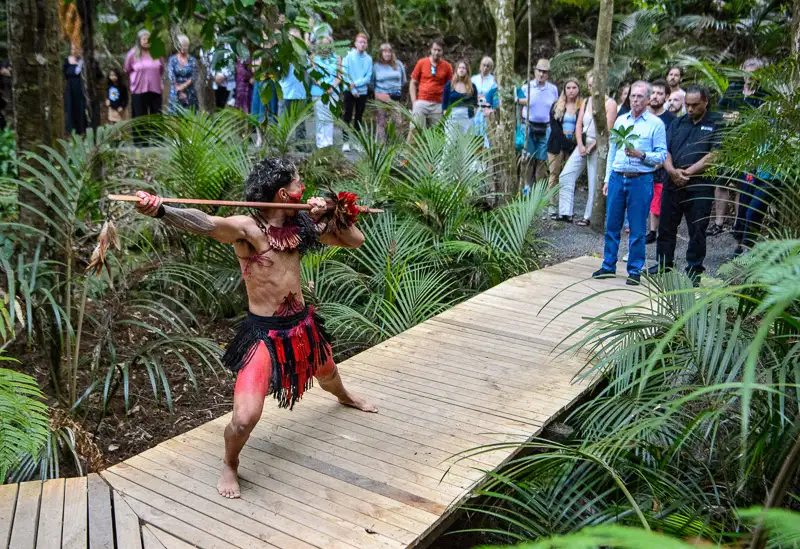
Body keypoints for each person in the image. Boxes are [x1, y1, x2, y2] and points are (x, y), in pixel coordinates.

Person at [133, 157, 378, 499]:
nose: (303, 188)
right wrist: (162, 210)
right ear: (282, 193)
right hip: (263, 333)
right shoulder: (246, 229)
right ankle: (230, 463)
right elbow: (205, 223)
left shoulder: (301, 225)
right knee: (245, 419)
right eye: (298, 184)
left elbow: (355, 240)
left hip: (302, 326)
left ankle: (344, 396)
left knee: (327, 372)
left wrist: (334, 210)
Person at [592, 81, 667, 285]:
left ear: (648, 99)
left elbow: (661, 156)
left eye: (640, 96)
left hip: (640, 179)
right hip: (618, 177)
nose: (635, 100)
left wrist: (640, 154)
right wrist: (607, 178)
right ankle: (608, 265)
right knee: (612, 225)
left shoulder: (655, 124)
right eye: (633, 96)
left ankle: (634, 270)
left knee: (637, 228)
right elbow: (612, 152)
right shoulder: (620, 121)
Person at [648, 85, 721, 284]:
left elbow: (715, 154)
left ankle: (694, 268)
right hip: (672, 182)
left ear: (705, 102)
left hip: (699, 186)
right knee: (666, 226)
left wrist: (688, 172)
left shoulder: (717, 124)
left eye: (694, 105)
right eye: (687, 105)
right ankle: (664, 263)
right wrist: (671, 170)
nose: (689, 109)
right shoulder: (678, 123)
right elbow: (665, 149)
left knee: (697, 229)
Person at [708, 58, 768, 239]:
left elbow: (764, 119)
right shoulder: (734, 89)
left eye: (754, 74)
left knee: (743, 185)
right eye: (746, 74)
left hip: (750, 146)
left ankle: (738, 224)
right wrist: (727, 115)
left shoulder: (764, 93)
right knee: (722, 181)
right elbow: (717, 112)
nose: (749, 78)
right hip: (727, 143)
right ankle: (718, 222)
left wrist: (740, 119)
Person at [558, 72, 618, 225]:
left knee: (593, 181)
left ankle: (588, 216)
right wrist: (580, 144)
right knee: (566, 174)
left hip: (599, 145)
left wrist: (591, 146)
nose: (592, 88)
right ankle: (565, 212)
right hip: (583, 144)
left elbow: (607, 130)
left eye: (595, 85)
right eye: (590, 86)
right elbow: (579, 124)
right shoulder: (586, 101)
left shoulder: (610, 103)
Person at [517, 59, 559, 187]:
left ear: (548, 74)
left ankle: (539, 188)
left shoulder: (552, 89)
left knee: (542, 160)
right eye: (539, 71)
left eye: (544, 72)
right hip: (528, 126)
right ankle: (527, 187)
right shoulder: (526, 87)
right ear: (535, 71)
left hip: (545, 127)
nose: (541, 74)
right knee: (528, 158)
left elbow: (556, 108)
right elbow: (517, 104)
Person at [645, 78, 676, 244]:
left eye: (660, 93)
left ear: (667, 96)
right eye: (653, 93)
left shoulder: (672, 120)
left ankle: (654, 231)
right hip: (642, 163)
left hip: (662, 166)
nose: (655, 96)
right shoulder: (643, 116)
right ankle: (648, 230)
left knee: (658, 200)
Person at [545, 78, 581, 219]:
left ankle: (566, 207)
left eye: (574, 87)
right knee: (554, 175)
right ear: (564, 90)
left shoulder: (581, 106)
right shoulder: (557, 105)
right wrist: (566, 143)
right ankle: (552, 205)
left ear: (578, 89)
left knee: (569, 176)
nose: (571, 90)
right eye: (568, 87)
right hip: (556, 144)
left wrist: (573, 144)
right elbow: (554, 127)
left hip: (573, 145)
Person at [408, 38, 453, 142]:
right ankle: (408, 156)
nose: (436, 52)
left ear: (443, 51)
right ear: (431, 50)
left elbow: (449, 88)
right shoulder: (422, 63)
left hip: (438, 104)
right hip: (422, 102)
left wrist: (446, 106)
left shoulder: (447, 67)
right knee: (415, 128)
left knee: (437, 133)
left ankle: (432, 157)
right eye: (434, 49)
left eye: (439, 50)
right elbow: (413, 83)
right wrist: (414, 101)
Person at [124, 30, 165, 124]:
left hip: (155, 90)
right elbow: (127, 69)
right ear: (139, 40)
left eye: (149, 39)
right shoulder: (132, 53)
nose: (147, 41)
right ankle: (140, 139)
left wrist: (160, 82)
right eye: (144, 39)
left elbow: (161, 69)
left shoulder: (157, 52)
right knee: (140, 119)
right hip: (138, 90)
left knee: (156, 118)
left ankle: (157, 138)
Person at [341, 32, 373, 151]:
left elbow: (368, 77)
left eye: (364, 42)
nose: (362, 44)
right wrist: (352, 88)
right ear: (355, 44)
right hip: (349, 90)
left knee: (359, 117)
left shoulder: (368, 59)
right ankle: (346, 142)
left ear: (367, 44)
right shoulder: (348, 56)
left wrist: (356, 84)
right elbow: (345, 73)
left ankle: (356, 141)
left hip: (362, 91)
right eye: (360, 42)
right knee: (347, 116)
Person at [279, 28, 310, 145]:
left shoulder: (303, 53)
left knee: (300, 121)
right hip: (286, 90)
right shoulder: (283, 52)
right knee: (284, 119)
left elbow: (307, 68)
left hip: (300, 91)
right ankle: (283, 143)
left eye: (297, 37)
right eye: (292, 37)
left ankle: (300, 143)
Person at [310, 37, 341, 149]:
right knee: (320, 118)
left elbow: (339, 76)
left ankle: (328, 143)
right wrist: (323, 86)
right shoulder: (314, 58)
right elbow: (314, 75)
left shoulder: (337, 58)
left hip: (333, 91)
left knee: (329, 117)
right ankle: (320, 144)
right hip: (318, 91)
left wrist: (331, 87)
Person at [371, 43, 406, 141]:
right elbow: (372, 82)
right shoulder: (376, 66)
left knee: (398, 121)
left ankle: (398, 144)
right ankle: (382, 145)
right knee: (381, 121)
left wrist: (396, 89)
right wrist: (379, 93)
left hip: (395, 97)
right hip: (381, 96)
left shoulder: (398, 64)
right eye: (385, 52)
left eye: (389, 51)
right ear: (381, 53)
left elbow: (403, 80)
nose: (387, 54)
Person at [442, 60, 478, 136]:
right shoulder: (449, 85)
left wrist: (473, 113)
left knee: (464, 143)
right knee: (450, 143)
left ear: (467, 70)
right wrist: (445, 113)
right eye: (459, 68)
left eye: (464, 68)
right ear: (456, 70)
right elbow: (444, 102)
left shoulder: (472, 86)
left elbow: (475, 102)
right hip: (451, 117)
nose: (461, 70)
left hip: (466, 118)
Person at [167, 34, 198, 113]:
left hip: (190, 91)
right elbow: (171, 76)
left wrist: (183, 86)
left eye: (185, 46)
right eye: (180, 46)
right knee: (175, 117)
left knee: (190, 116)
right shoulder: (172, 59)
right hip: (175, 91)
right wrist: (179, 90)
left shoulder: (192, 60)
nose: (183, 48)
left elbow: (194, 76)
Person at [471, 56, 497, 145]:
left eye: (488, 66)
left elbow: (495, 97)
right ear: (480, 66)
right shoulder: (473, 79)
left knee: (485, 135)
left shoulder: (493, 81)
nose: (485, 68)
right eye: (484, 65)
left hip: (487, 111)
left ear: (491, 68)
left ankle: (485, 157)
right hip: (475, 109)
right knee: (473, 134)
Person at [64, 43, 87, 135]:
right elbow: (65, 73)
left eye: (76, 49)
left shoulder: (82, 61)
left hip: (80, 87)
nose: (74, 51)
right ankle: (71, 130)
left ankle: (81, 129)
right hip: (70, 87)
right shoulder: (67, 60)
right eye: (72, 49)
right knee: (70, 106)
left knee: (80, 107)